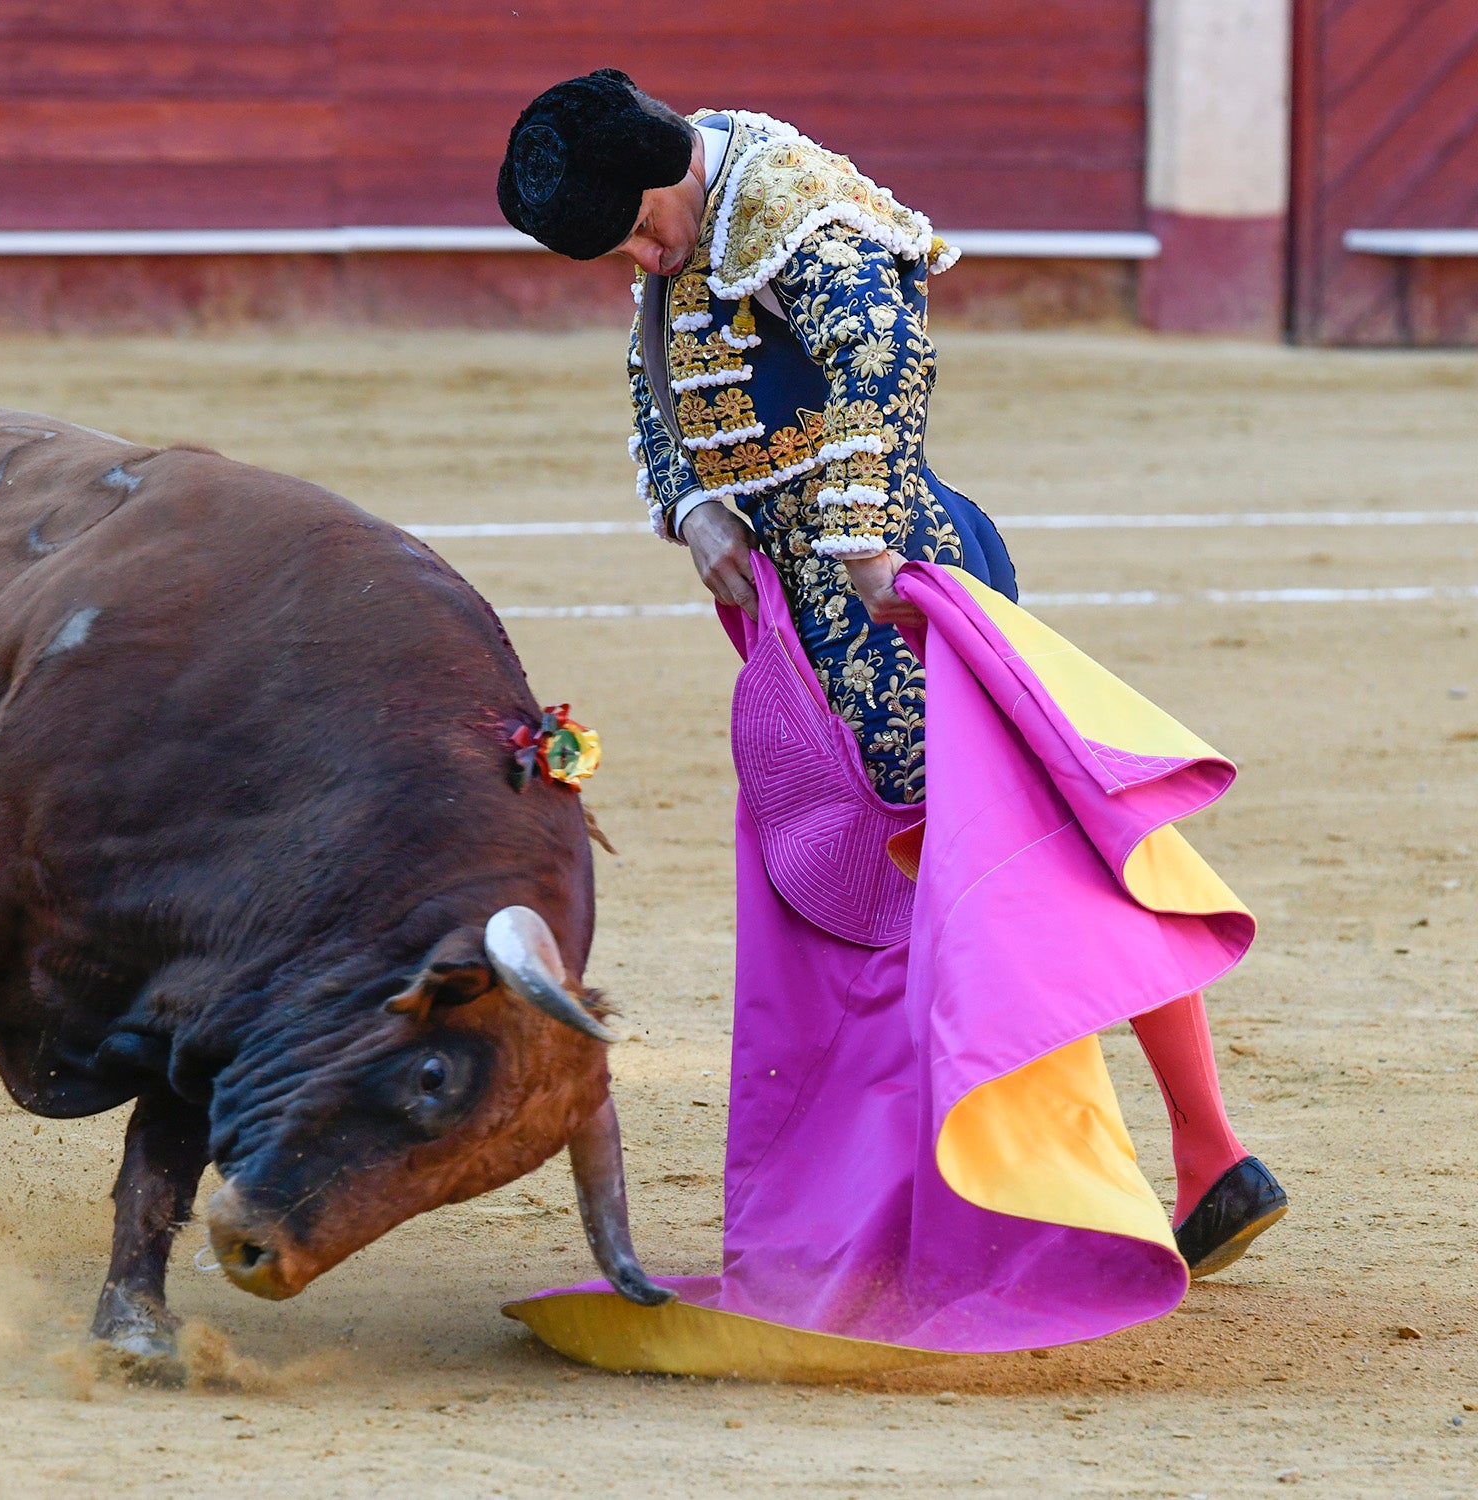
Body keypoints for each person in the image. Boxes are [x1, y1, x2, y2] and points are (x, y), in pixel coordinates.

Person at [493, 70, 1286, 1376]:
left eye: (639, 234)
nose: (640, 263)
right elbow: (663, 387)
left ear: (665, 172)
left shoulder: (795, 208)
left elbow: (885, 354)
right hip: (820, 608)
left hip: (899, 589)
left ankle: (1128, 1165)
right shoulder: (682, 218)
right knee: (1024, 861)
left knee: (993, 875)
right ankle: (1203, 1156)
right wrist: (696, 513)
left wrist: (861, 548)